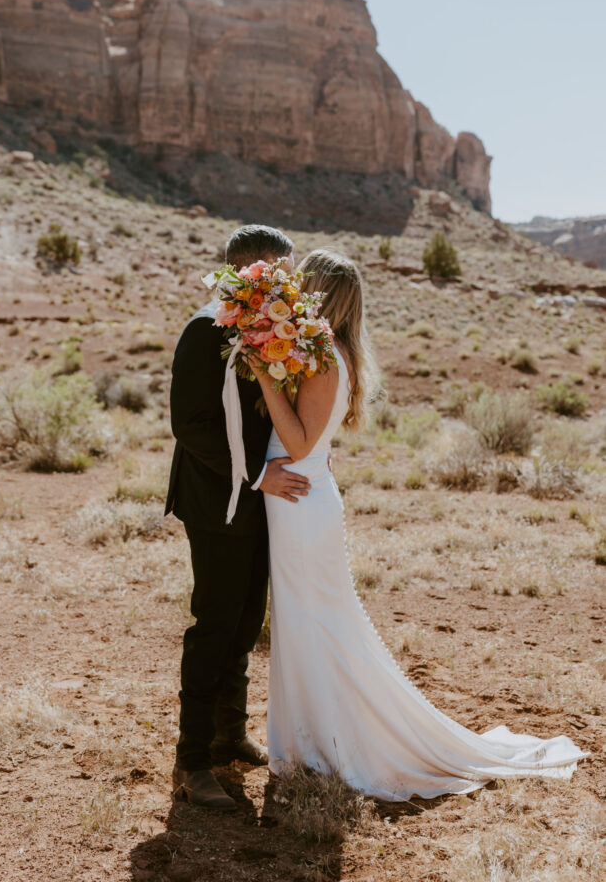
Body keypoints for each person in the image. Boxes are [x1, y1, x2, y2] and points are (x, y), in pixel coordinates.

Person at [249, 248, 587, 800]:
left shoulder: (326, 357)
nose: (295, 291)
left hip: (301, 504)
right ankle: (312, 744)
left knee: (318, 625)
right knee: (306, 623)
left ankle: (326, 747)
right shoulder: (329, 352)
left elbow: (301, 443)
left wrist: (264, 376)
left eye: (304, 283)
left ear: (322, 294)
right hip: (302, 500)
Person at [165, 224, 312, 810]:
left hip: (258, 498)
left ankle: (231, 733)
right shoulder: (206, 330)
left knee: (249, 616)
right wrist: (257, 473)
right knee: (216, 622)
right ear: (251, 271)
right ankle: (192, 760)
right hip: (216, 499)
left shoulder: (265, 331)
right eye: (284, 270)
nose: (293, 282)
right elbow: (191, 425)